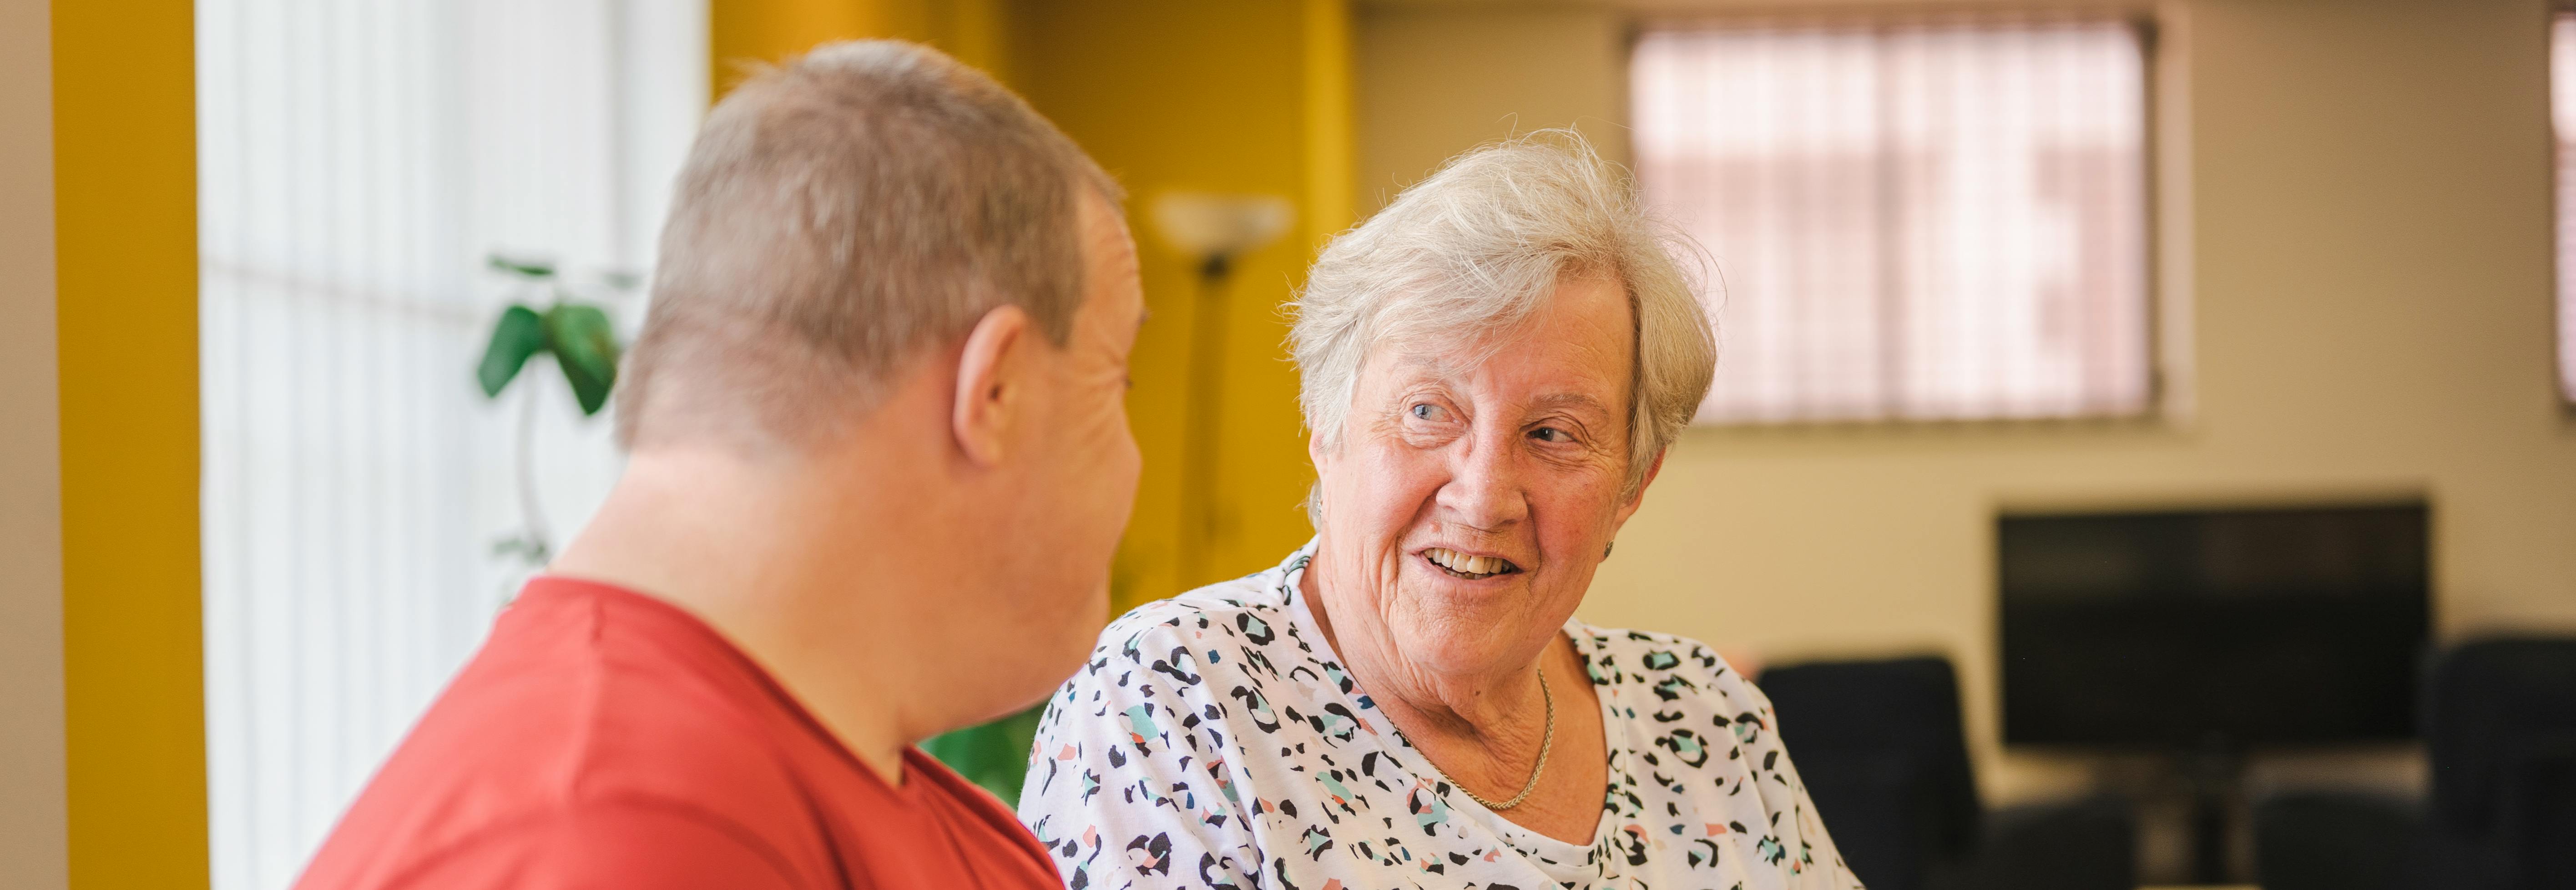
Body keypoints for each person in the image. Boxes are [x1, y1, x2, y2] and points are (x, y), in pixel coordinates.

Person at [298, 40, 1142, 889]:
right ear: (994, 390)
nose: (1135, 466)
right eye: (1116, 381)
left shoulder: (907, 813)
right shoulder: (625, 836)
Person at [1018, 133, 1861, 890]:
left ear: (1632, 488)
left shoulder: (1704, 715)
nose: (1484, 494)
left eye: (1553, 432)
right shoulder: (1167, 701)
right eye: (1428, 412)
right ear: (1326, 426)